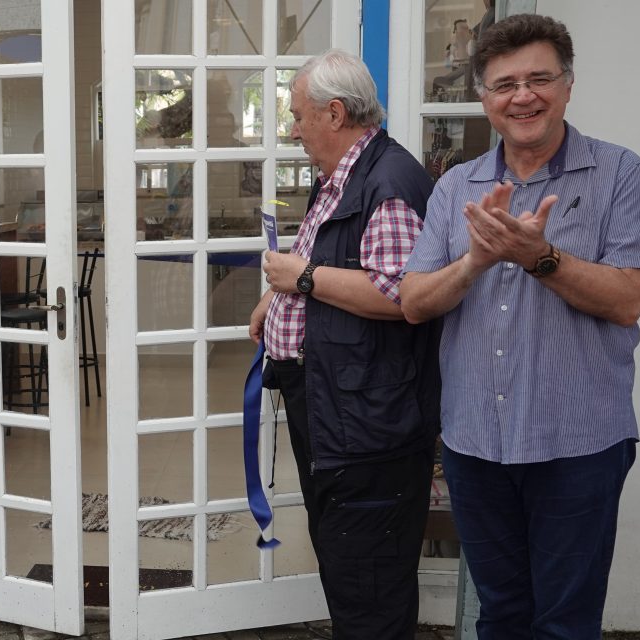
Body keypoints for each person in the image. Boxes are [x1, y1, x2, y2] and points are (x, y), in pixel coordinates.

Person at [400, 14, 640, 638]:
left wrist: (538, 258)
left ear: (568, 85)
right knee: (500, 615)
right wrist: (475, 261)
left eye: (539, 78)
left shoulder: (619, 173)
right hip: (475, 446)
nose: (523, 96)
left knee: (566, 623)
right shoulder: (455, 188)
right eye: (504, 84)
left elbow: (628, 298)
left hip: (579, 445)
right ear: (484, 99)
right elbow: (414, 302)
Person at [248, 50, 440, 639]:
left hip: (367, 423)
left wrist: (299, 280)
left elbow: (400, 296)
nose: (293, 129)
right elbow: (331, 268)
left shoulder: (387, 183)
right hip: (335, 405)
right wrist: (275, 300)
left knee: (370, 584)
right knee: (348, 566)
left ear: (334, 113)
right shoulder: (343, 177)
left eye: (299, 115)